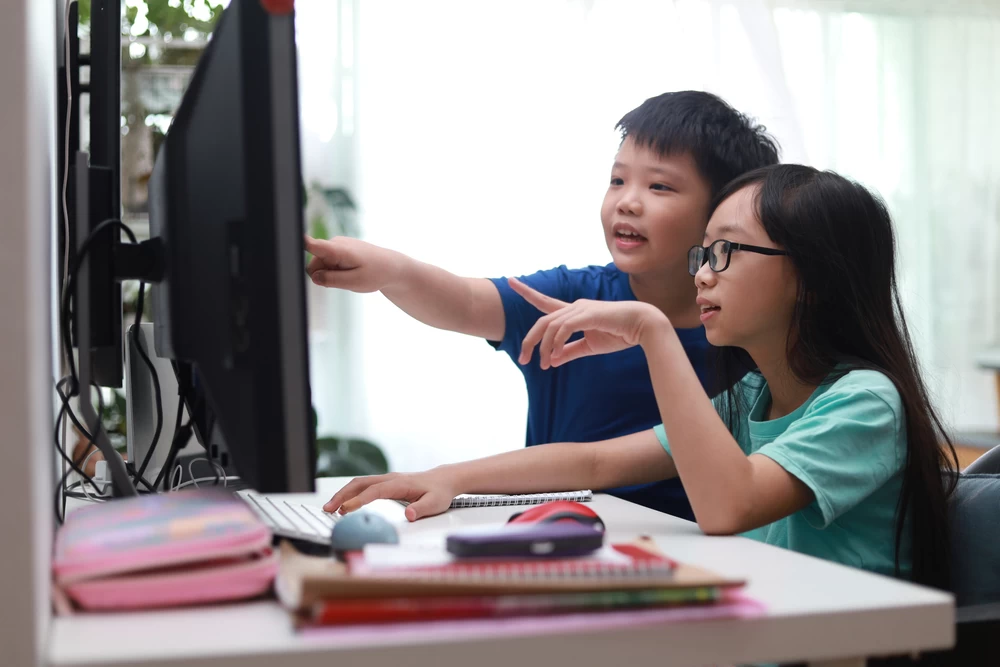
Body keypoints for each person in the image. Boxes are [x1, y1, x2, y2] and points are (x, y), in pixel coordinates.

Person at [325, 164, 958, 588]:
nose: (702, 273)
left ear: (813, 279)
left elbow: (729, 506)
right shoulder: (753, 396)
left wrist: (652, 332)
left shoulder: (867, 402)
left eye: (726, 252)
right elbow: (596, 462)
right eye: (703, 253)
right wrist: (446, 478)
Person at [306, 91, 780, 519]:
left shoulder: (748, 330)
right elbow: (466, 301)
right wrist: (392, 271)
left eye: (659, 187)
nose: (627, 202)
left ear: (722, 212)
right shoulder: (573, 296)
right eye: (617, 180)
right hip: (562, 535)